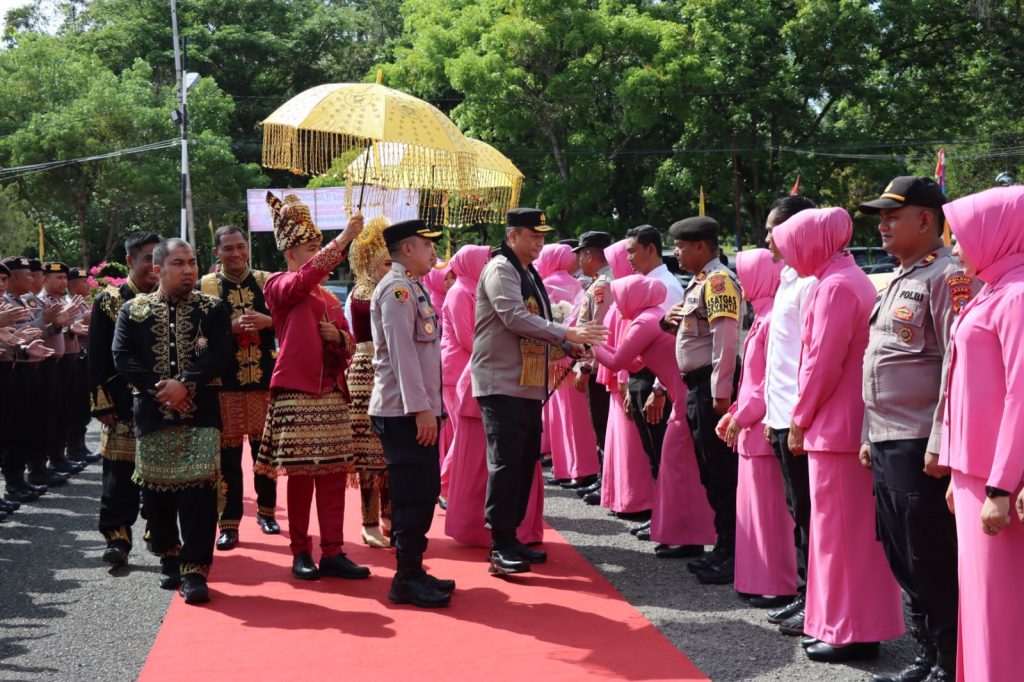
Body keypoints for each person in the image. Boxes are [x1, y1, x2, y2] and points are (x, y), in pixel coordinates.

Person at [773, 207, 905, 662]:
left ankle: (853, 630)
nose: (788, 255)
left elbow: (820, 365)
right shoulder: (845, 279)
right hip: (846, 425)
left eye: (792, 245)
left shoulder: (833, 287)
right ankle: (847, 625)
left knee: (841, 538)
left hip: (836, 428)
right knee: (844, 538)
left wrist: (800, 417)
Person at [857, 177, 973, 682]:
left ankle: (950, 662)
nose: (881, 225)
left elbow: (956, 366)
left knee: (931, 557)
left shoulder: (948, 278)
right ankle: (928, 653)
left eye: (891, 216)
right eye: (879, 217)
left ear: (926, 220)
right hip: (887, 439)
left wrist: (940, 441)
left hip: (918, 444)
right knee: (904, 554)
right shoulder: (901, 276)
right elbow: (877, 366)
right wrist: (867, 433)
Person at [472, 208, 607, 575]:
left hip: (526, 383)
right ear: (513, 235)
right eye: (533, 236)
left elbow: (537, 322)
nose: (539, 243)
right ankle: (500, 544)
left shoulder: (527, 270)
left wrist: (569, 346)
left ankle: (511, 537)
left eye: (542, 237)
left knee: (522, 462)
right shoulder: (501, 268)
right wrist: (566, 335)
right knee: (506, 463)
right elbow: (513, 316)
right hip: (502, 382)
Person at [255, 193, 368, 582]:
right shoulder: (279, 284)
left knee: (334, 474)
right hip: (297, 392)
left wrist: (337, 337)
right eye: (310, 246)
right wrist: (344, 240)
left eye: (319, 245)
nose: (317, 251)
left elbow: (351, 344)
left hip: (332, 392)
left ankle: (334, 550)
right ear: (289, 251)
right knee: (302, 475)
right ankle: (301, 550)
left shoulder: (325, 296)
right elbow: (302, 281)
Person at [112, 238, 231, 604]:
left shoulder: (213, 308)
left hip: (201, 413)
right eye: (178, 263)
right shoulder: (133, 310)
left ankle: (195, 569)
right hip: (152, 411)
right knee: (157, 490)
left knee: (199, 491)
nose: (189, 270)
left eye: (192, 263)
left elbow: (223, 354)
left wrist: (187, 383)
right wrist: (161, 389)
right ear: (157, 269)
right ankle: (169, 554)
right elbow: (121, 356)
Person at [940, 186, 1024, 682]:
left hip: (998, 481)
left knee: (1000, 610)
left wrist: (1000, 486)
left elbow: (1020, 395)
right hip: (975, 474)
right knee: (979, 603)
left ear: (998, 234)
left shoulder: (1016, 296)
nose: (955, 248)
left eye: (963, 237)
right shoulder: (995, 288)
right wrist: (958, 471)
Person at [591, 275, 716, 555]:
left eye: (620, 296)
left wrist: (588, 344)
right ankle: (683, 535)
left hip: (683, 402)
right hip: (681, 398)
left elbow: (617, 361)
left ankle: (688, 538)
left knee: (678, 472)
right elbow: (635, 362)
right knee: (677, 471)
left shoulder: (644, 322)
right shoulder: (651, 316)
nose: (617, 303)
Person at [369, 218, 455, 608]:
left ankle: (414, 570)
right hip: (402, 411)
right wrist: (422, 410)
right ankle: (404, 578)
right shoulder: (398, 290)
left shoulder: (413, 287)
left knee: (424, 490)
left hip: (414, 409)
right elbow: (403, 356)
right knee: (411, 494)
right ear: (407, 250)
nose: (433, 251)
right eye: (427, 245)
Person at [444, 246, 544, 548]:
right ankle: (492, 535)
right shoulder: (462, 291)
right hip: (487, 378)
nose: (489, 263)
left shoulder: (487, 284)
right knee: (494, 462)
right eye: (484, 259)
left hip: (504, 377)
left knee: (510, 459)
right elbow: (471, 338)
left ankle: (511, 533)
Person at [661, 216, 741, 584]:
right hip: (696, 387)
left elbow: (726, 342)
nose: (676, 253)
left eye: (680, 246)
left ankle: (733, 552)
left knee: (722, 473)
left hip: (710, 389)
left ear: (701, 246)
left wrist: (720, 393)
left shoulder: (720, 281)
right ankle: (725, 546)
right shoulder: (700, 282)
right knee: (711, 473)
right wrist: (668, 322)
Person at [715, 249, 797, 602]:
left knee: (769, 516)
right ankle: (759, 580)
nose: (741, 282)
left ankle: (776, 583)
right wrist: (736, 410)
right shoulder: (764, 313)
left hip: (762, 422)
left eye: (746, 274)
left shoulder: (773, 314)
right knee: (756, 512)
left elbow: (770, 380)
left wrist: (741, 414)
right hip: (753, 422)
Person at [200, 225, 280, 551]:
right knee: (228, 459)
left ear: (247, 248)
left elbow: (288, 320)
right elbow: (198, 337)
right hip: (225, 385)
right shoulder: (206, 285)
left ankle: (267, 512)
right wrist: (227, 329)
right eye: (227, 248)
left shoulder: (266, 280)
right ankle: (229, 524)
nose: (235, 253)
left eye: (240, 246)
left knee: (266, 454)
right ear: (217, 252)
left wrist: (269, 321)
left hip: (263, 382)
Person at [759, 195, 818, 631]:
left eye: (773, 230)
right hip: (779, 414)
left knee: (810, 512)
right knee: (796, 508)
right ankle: (803, 593)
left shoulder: (812, 282)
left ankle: (815, 597)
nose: (767, 239)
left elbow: (815, 359)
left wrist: (797, 416)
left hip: (801, 416)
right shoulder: (788, 278)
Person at [90, 231, 161, 565]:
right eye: (148, 258)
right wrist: (101, 401)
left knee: (161, 475)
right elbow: (97, 356)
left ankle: (159, 535)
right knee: (118, 476)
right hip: (120, 403)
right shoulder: (108, 300)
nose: (154, 265)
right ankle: (117, 537)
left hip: (162, 401)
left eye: (158, 257)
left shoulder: (170, 296)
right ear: (131, 261)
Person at [592, 240, 655, 514]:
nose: (627, 260)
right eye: (624, 255)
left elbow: (629, 345)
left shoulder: (633, 293)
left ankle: (636, 500)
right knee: (620, 441)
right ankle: (622, 497)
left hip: (625, 377)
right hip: (619, 376)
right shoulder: (624, 291)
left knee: (631, 445)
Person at [345, 216, 393, 549]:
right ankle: (369, 520)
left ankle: (390, 514)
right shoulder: (363, 294)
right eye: (387, 262)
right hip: (366, 372)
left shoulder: (395, 289)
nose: (393, 267)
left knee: (390, 450)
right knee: (368, 451)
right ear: (371, 262)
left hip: (391, 371)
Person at [624, 225, 684, 487]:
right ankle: (660, 516)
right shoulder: (648, 284)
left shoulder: (665, 287)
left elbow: (674, 344)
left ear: (651, 249)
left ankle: (665, 518)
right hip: (644, 377)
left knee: (662, 453)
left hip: (658, 382)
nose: (628, 259)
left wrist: (658, 391)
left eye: (632, 251)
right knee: (653, 452)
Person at [536, 243, 599, 489]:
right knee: (573, 416)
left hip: (553, 355)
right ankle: (575, 468)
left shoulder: (544, 285)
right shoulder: (576, 284)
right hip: (571, 354)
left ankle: (568, 468)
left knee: (561, 417)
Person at [0, 257, 54, 505]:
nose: (34, 279)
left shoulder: (23, 300)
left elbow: (32, 330)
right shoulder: (8, 303)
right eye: (28, 275)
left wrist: (22, 343)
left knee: (22, 428)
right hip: (14, 371)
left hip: (21, 367)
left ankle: (19, 480)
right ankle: (14, 481)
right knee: (10, 431)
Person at [570, 230, 614, 501]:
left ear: (588, 254)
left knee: (602, 424)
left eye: (580, 255)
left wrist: (585, 366)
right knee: (600, 425)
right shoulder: (601, 281)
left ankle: (604, 480)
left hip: (598, 365)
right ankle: (603, 479)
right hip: (598, 363)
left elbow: (596, 330)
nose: (578, 261)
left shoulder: (602, 284)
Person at [39, 262, 87, 476]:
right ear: (44, 279)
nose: (63, 282)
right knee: (51, 414)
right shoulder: (43, 302)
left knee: (66, 411)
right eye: (57, 278)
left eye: (64, 278)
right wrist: (66, 325)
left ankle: (60, 456)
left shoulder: (64, 302)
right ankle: (48, 461)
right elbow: (41, 329)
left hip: (68, 361)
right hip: (49, 365)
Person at [63, 267, 97, 465]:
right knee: (74, 406)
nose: (87, 284)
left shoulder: (82, 303)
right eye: (83, 282)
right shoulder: (70, 304)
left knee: (83, 406)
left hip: (84, 359)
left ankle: (79, 445)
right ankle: (73, 448)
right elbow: (73, 328)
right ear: (73, 285)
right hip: (75, 360)